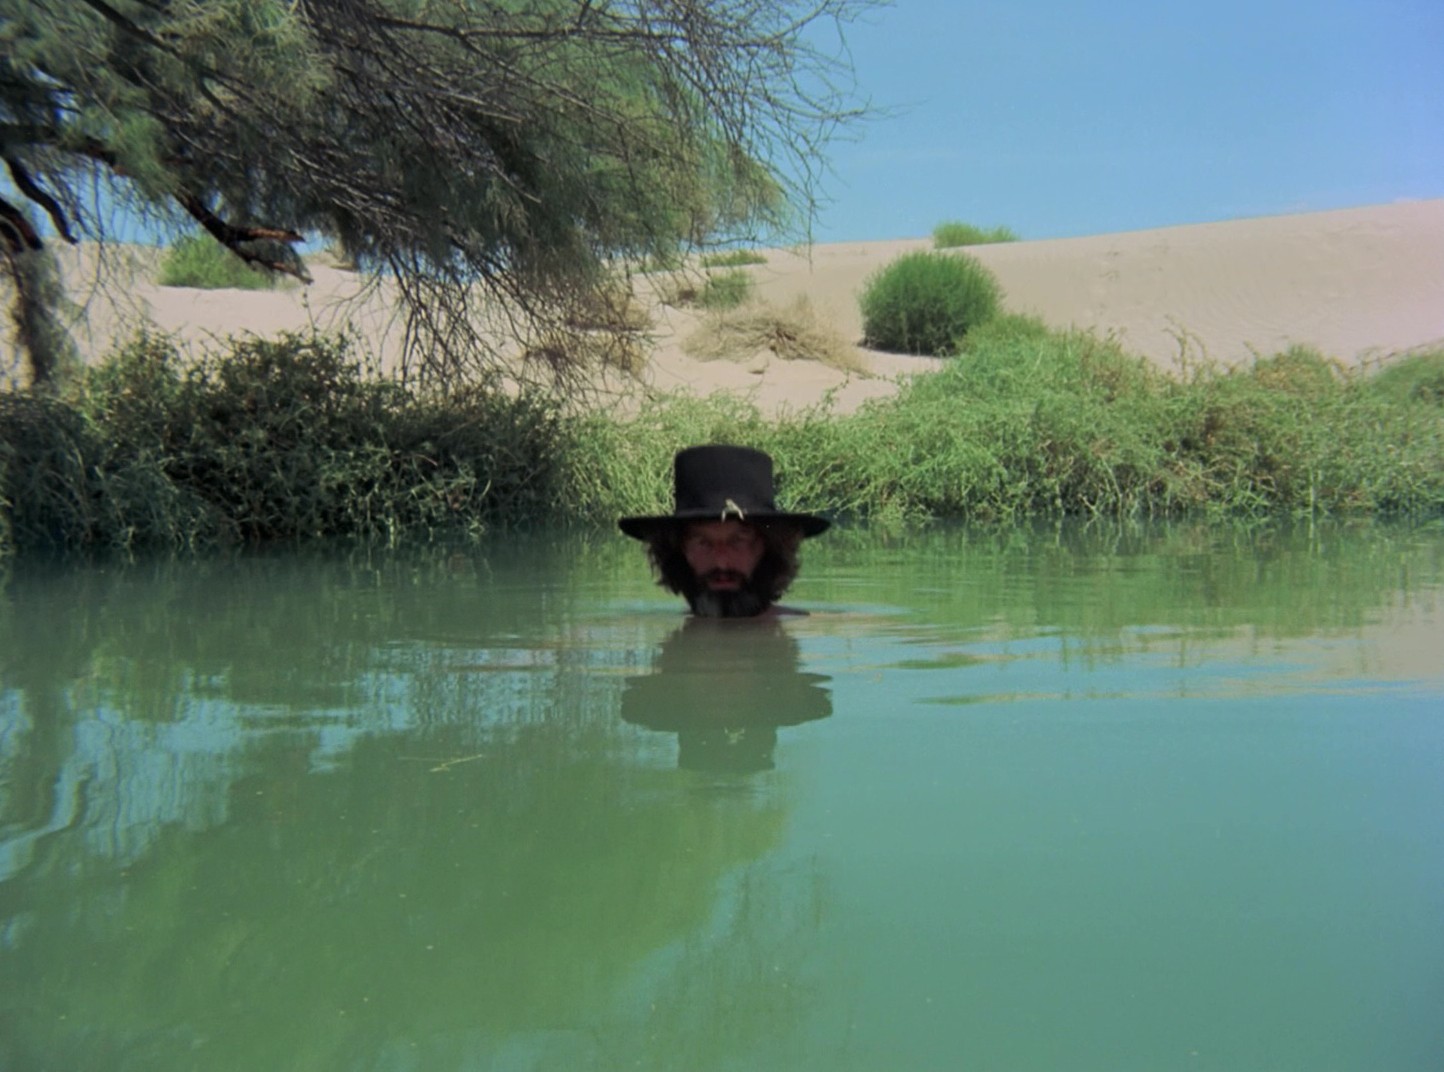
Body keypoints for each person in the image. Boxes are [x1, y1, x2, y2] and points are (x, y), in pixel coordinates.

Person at [617, 444, 830, 618]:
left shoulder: (809, 628)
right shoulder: (648, 624)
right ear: (677, 551)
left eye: (738, 541)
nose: (721, 562)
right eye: (702, 542)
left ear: (771, 548)